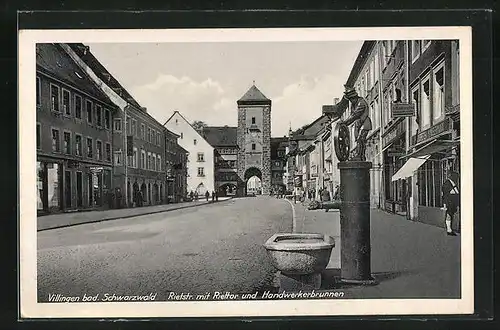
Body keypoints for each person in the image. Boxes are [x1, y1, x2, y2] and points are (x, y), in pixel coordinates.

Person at [442, 171, 460, 236]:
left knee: (450, 215)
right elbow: (445, 195)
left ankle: (450, 229)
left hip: (452, 202)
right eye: (456, 177)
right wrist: (445, 204)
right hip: (449, 202)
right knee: (449, 215)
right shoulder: (447, 183)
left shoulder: (452, 182)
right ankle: (449, 230)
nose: (457, 178)